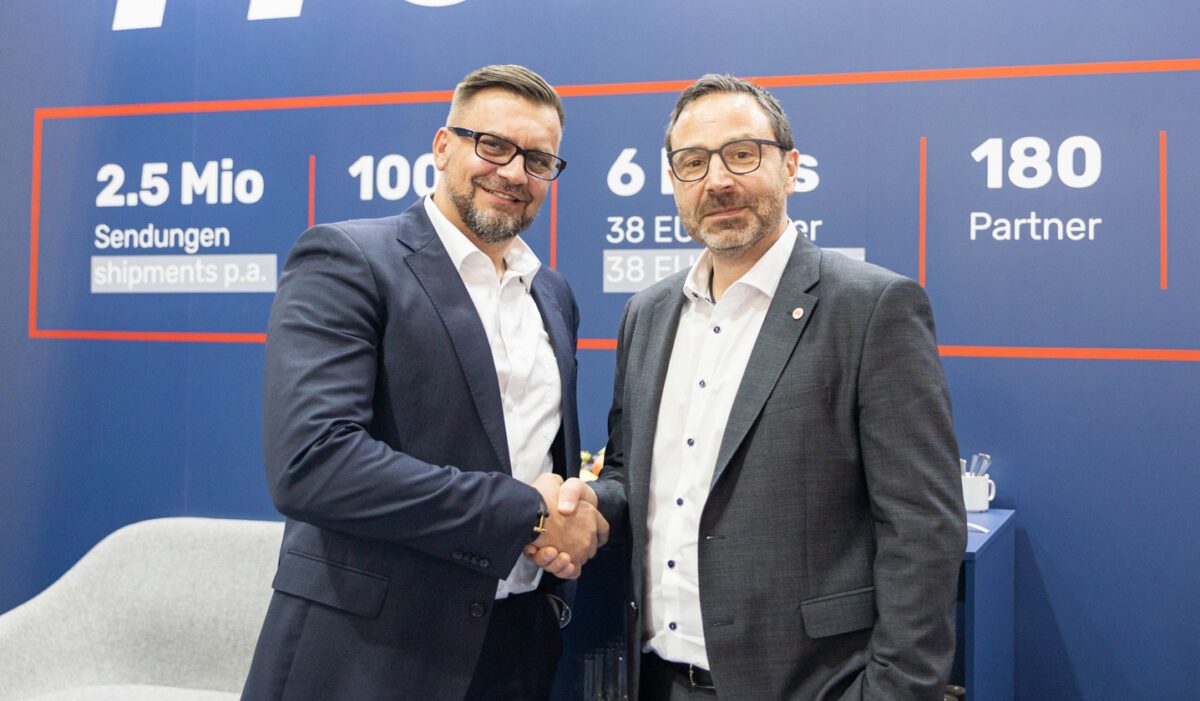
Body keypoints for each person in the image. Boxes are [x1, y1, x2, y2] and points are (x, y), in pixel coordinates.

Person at [585, 74, 967, 700]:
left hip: (813, 685)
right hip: (655, 679)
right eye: (693, 163)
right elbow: (631, 474)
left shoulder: (872, 307)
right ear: (674, 181)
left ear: (790, 168)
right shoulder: (646, 314)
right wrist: (584, 507)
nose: (717, 180)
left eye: (741, 154)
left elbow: (923, 526)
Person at [242, 64, 608, 701]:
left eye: (539, 160)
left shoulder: (553, 294)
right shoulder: (348, 259)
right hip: (368, 657)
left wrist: (577, 513)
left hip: (517, 649)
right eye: (492, 145)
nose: (514, 172)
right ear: (443, 146)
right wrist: (528, 516)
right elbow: (314, 465)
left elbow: (540, 458)